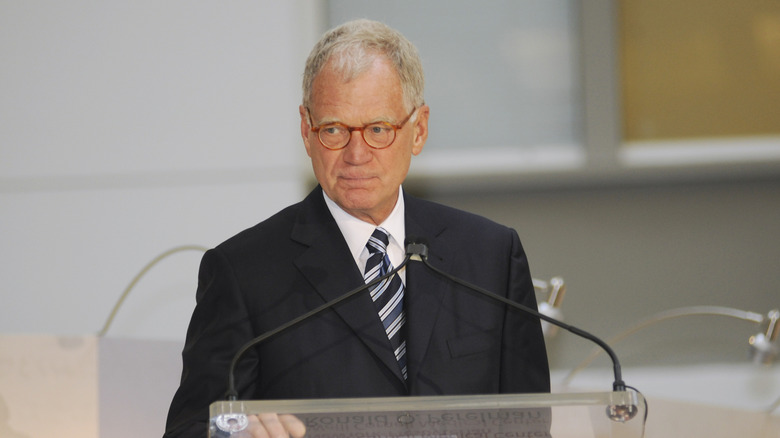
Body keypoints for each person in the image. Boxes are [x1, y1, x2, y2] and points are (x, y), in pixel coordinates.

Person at [164, 19, 550, 438]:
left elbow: (528, 424)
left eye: (378, 129)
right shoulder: (243, 272)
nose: (356, 154)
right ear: (306, 132)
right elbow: (191, 427)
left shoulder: (490, 256)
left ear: (418, 130)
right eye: (333, 130)